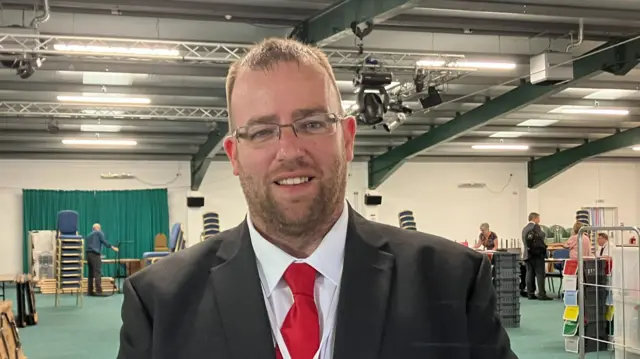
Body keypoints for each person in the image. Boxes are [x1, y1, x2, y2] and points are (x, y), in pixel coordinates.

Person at [116, 37, 517, 359]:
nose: (289, 150)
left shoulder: (451, 281)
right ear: (234, 155)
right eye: (260, 131)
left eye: (311, 123)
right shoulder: (159, 302)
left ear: (346, 138)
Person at [521, 212, 552, 300]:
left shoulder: (524, 229)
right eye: (538, 218)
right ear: (535, 218)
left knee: (529, 273)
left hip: (527, 254)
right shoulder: (536, 227)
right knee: (540, 274)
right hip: (537, 254)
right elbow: (542, 235)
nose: (539, 220)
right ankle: (541, 294)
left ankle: (530, 293)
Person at [85, 223, 118, 296]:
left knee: (90, 273)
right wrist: (112, 247)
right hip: (95, 254)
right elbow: (104, 241)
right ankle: (98, 291)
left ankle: (89, 291)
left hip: (88, 254)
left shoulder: (88, 235)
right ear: (98, 228)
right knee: (97, 272)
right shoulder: (98, 233)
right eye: (100, 228)